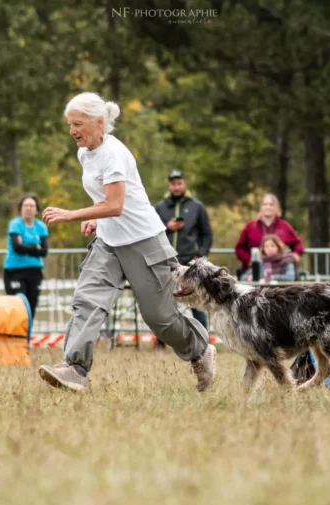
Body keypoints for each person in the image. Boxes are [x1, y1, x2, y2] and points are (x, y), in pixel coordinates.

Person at [37, 92, 215, 393]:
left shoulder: (114, 153)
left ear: (99, 122)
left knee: (159, 317)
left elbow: (116, 204)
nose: (72, 131)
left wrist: (72, 215)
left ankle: (200, 350)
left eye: (78, 124)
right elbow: (104, 200)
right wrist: (97, 218)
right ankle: (74, 369)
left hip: (144, 241)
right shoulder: (84, 153)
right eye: (70, 124)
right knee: (87, 300)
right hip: (109, 243)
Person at [154, 169, 212, 344]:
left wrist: (200, 255)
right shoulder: (160, 207)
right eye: (173, 183)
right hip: (167, 260)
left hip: (190, 262)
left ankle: (202, 338)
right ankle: (161, 341)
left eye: (179, 183)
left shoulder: (197, 207)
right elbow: (152, 232)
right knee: (163, 302)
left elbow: (206, 234)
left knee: (196, 300)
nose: (177, 186)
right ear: (169, 185)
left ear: (184, 184)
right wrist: (167, 226)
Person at [235, 193, 304, 278]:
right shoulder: (251, 226)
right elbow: (239, 248)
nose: (268, 207)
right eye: (265, 204)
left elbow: (297, 243)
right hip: (256, 269)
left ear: (277, 208)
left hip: (279, 272)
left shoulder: (284, 226)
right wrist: (249, 260)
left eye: (271, 204)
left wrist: (295, 254)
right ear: (261, 207)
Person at [3, 194, 49, 316]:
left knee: (31, 306)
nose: (28, 208)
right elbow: (17, 247)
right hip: (15, 270)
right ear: (21, 208)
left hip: (34, 270)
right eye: (25, 205)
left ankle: (27, 334)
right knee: (18, 305)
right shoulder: (15, 224)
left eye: (31, 206)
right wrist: (34, 247)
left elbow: (44, 251)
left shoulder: (41, 227)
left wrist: (26, 247)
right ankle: (15, 334)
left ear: (36, 210)